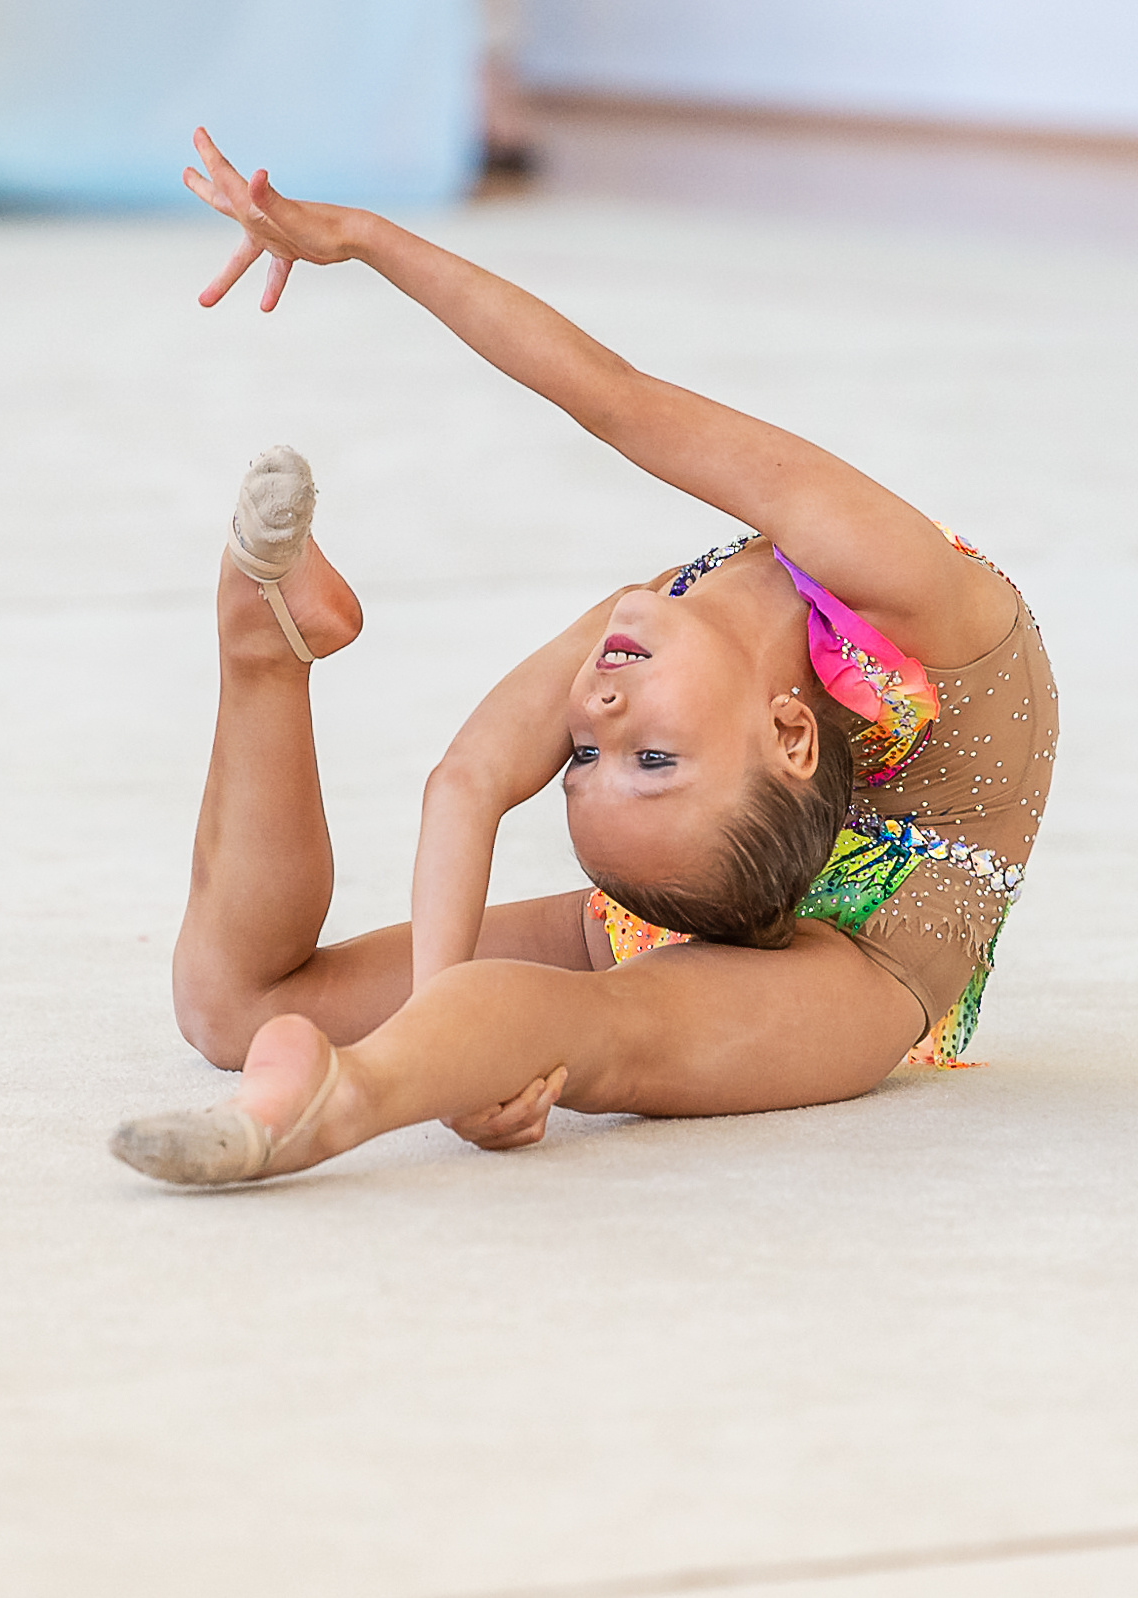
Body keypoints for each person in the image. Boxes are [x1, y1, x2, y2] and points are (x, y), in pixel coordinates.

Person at [109, 131, 1057, 1188]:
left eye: (589, 757)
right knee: (227, 1004)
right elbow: (468, 774)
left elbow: (516, 832)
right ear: (786, 729)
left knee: (604, 1029)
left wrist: (431, 1047)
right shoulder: (814, 588)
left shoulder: (819, 622)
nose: (596, 711)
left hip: (859, 961)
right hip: (684, 878)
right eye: (638, 753)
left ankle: (325, 1109)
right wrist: (362, 237)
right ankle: (265, 654)